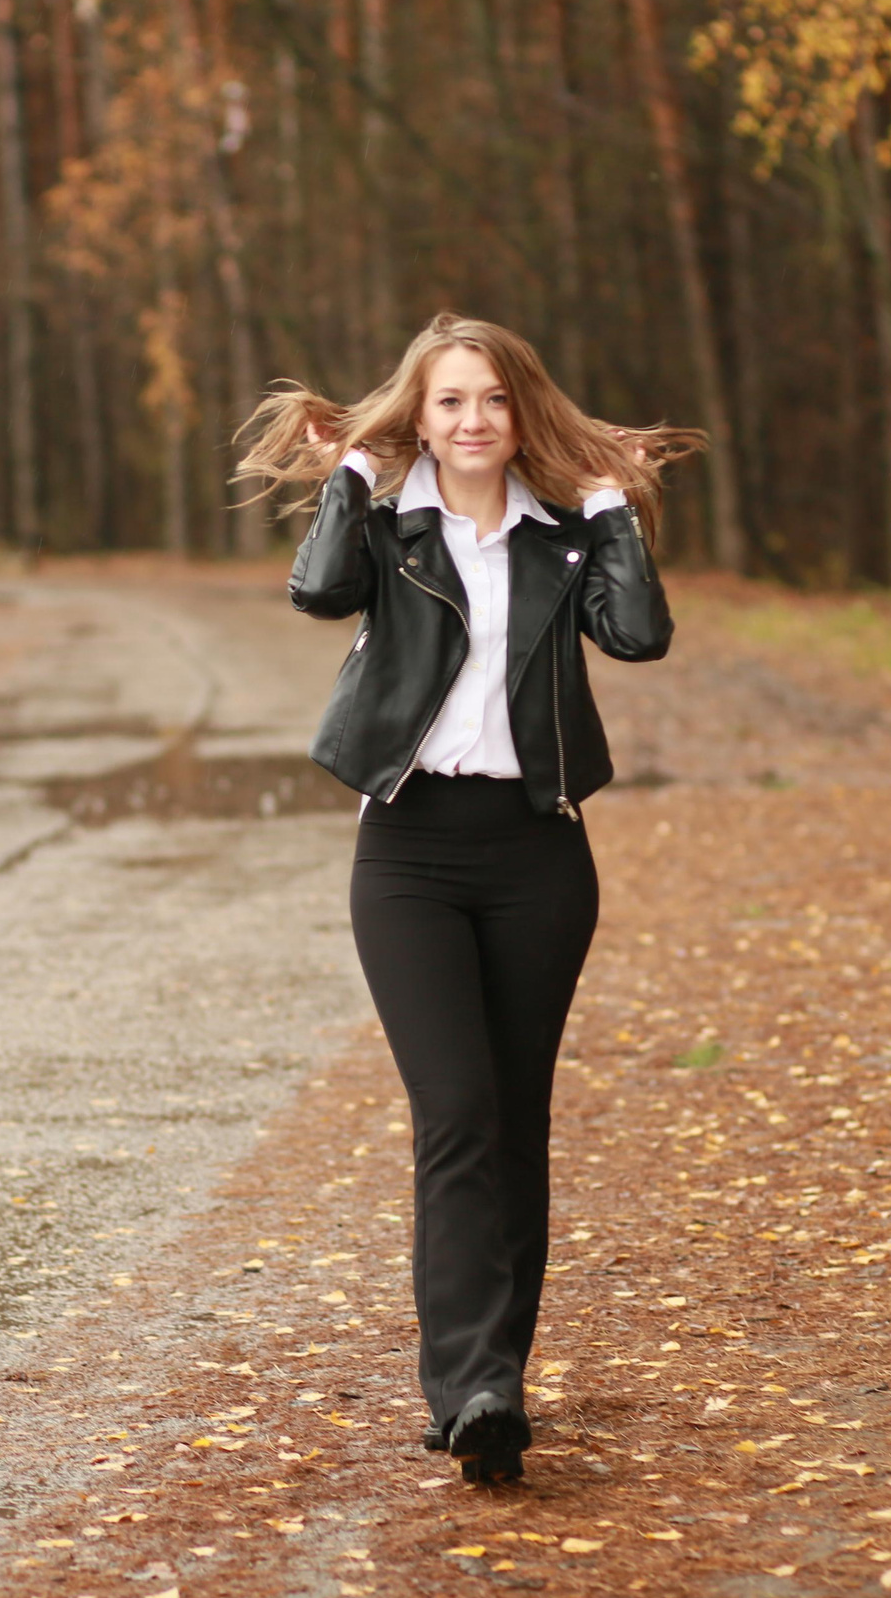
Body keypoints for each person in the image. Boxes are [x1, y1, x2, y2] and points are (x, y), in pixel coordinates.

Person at [240, 314, 700, 1485]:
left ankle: (496, 1379)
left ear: (521, 411)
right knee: (454, 1112)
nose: (472, 420)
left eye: (492, 400)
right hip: (408, 856)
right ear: (421, 416)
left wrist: (606, 507)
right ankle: (467, 1382)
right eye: (449, 402)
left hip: (538, 854)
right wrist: (352, 467)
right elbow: (315, 591)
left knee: (516, 1119)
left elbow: (638, 635)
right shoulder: (390, 533)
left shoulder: (564, 538)